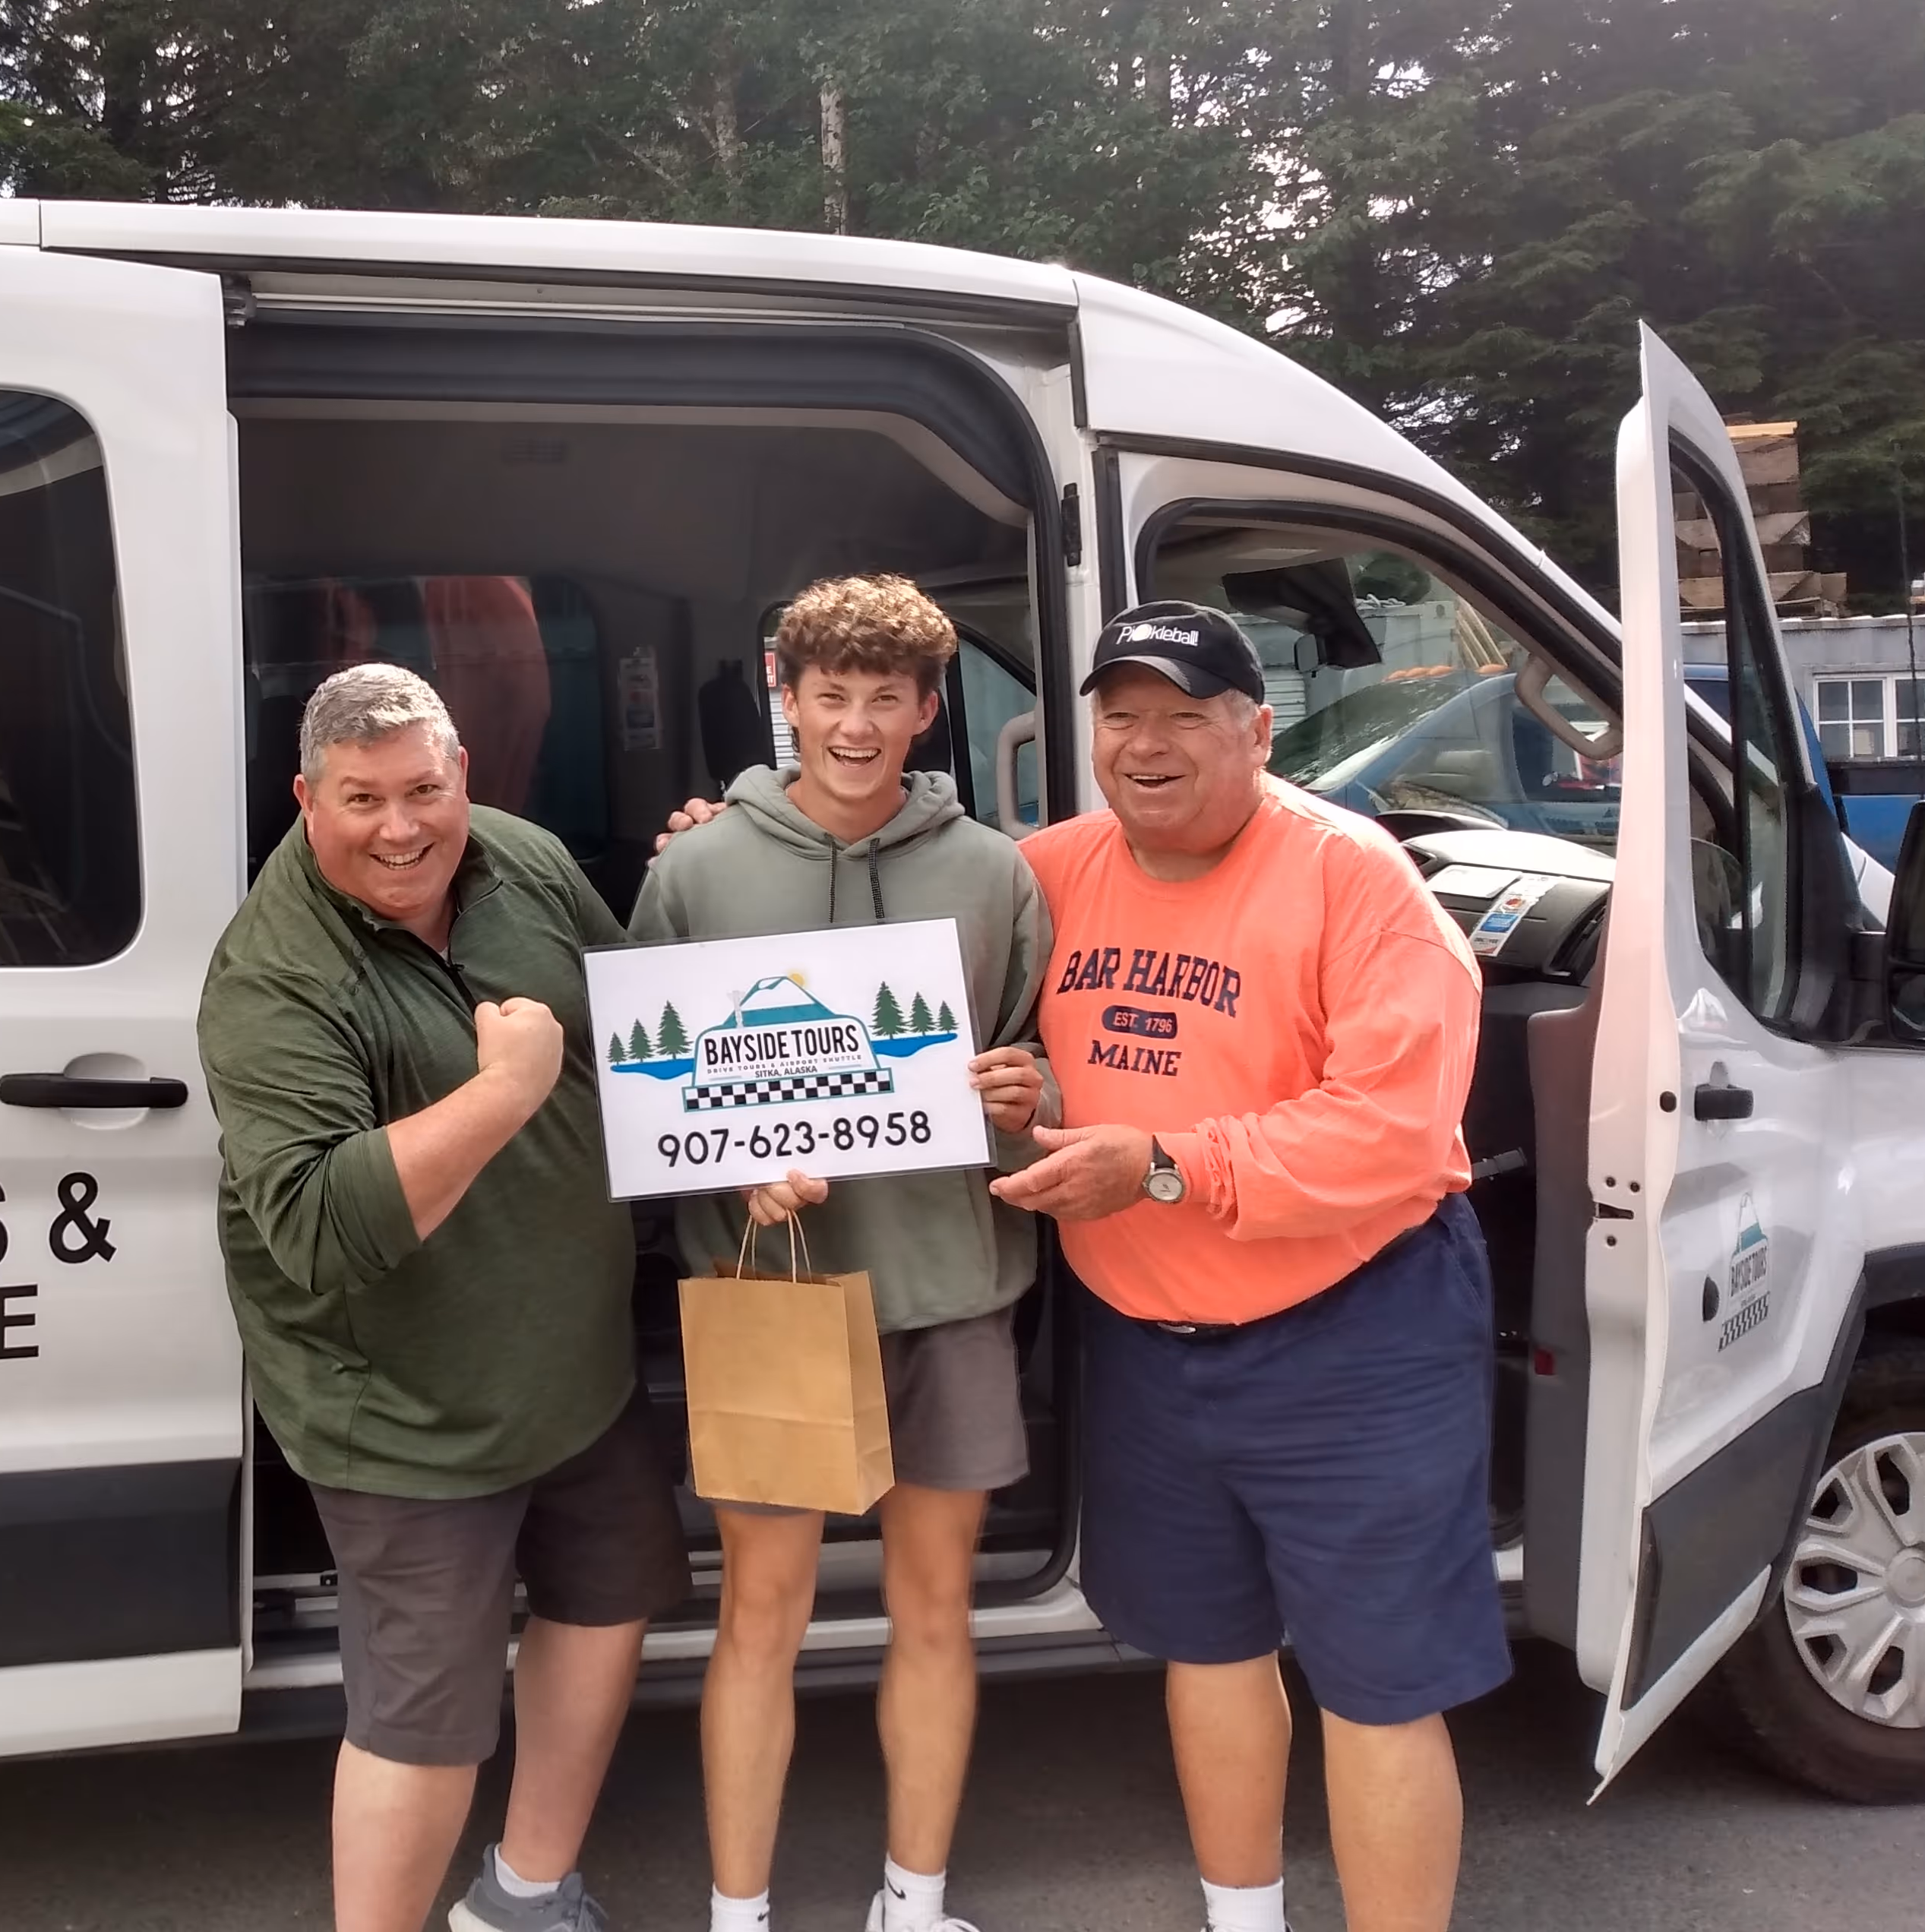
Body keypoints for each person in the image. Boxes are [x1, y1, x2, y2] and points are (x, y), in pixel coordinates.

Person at [995, 601, 1502, 1932]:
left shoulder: (1354, 877)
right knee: (1208, 1651)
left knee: (1381, 1685)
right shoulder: (1046, 870)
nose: (1145, 747)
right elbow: (870, 919)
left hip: (1358, 1331)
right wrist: (751, 828)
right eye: (1122, 719)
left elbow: (1398, 1131)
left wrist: (1165, 1164)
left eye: (1182, 718)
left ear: (1256, 730)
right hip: (1146, 1343)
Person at [201, 662, 687, 1932]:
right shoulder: (275, 978)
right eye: (363, 799)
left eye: (426, 789)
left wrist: (747, 1150)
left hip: (574, 1367)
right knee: (425, 1721)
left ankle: (527, 1895)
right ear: (306, 797)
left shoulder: (518, 861)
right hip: (408, 1413)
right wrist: (504, 1094)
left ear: (464, 773)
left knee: (608, 1602)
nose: (403, 827)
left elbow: (646, 1038)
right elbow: (317, 1229)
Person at [631, 576, 1052, 1932]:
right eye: (832, 697)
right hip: (778, 1297)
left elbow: (1030, 1049)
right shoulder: (694, 869)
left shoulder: (992, 871)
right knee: (763, 1611)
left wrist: (1020, 1092)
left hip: (949, 1285)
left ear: (930, 709)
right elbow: (645, 1085)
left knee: (938, 1606)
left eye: (886, 699)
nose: (858, 726)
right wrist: (726, 1164)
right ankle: (737, 1914)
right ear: (785, 693)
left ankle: (911, 1904)